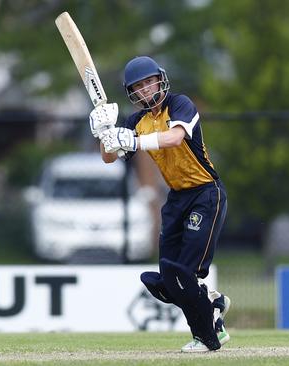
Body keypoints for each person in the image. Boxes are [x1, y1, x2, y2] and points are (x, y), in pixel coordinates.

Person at [88, 56, 230, 352]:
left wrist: (134, 142)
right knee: (167, 280)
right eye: (138, 87)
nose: (145, 89)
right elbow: (108, 156)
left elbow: (174, 138)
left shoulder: (181, 104)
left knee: (184, 273)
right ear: (132, 93)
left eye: (149, 81)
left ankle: (206, 336)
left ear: (160, 79)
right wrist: (105, 133)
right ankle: (212, 305)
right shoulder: (135, 121)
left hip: (205, 193)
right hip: (176, 199)